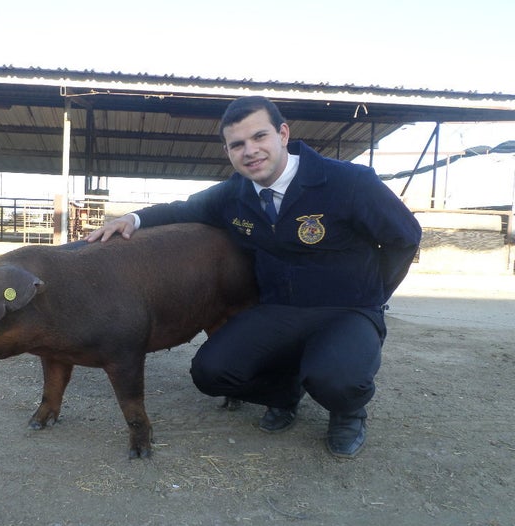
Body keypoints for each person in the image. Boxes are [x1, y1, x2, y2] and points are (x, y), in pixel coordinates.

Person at [87, 96, 422, 458]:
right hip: (279, 308)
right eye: (237, 144)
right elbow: (181, 210)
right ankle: (284, 394)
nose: (250, 151)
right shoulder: (235, 194)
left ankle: (348, 411)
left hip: (347, 308)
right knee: (212, 372)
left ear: (282, 134)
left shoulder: (349, 182)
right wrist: (131, 220)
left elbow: (405, 238)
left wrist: (373, 295)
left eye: (259, 137)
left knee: (335, 379)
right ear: (228, 152)